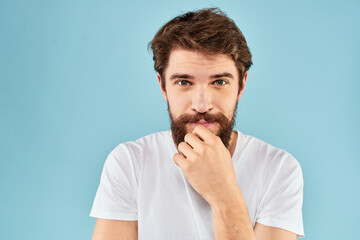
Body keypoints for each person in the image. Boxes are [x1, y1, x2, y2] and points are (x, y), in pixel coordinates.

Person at [90, 8, 304, 240]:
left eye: (219, 81)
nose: (202, 105)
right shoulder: (129, 162)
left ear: (241, 85)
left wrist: (224, 196)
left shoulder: (278, 169)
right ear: (163, 87)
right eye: (184, 82)